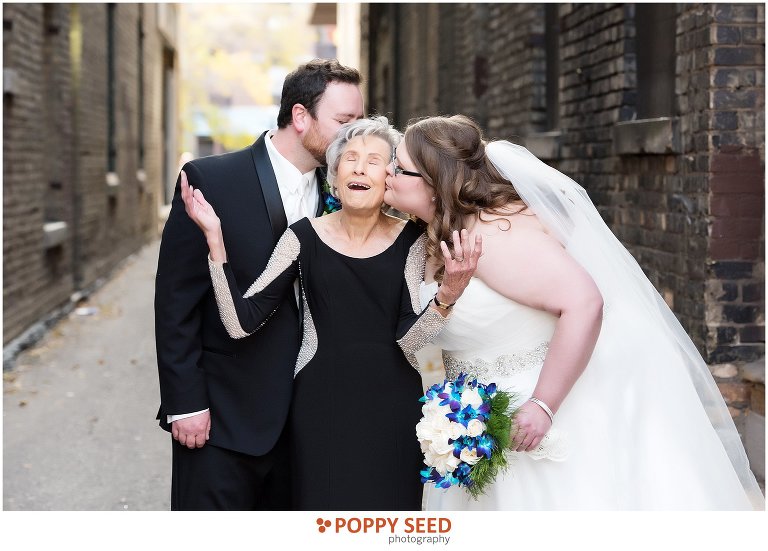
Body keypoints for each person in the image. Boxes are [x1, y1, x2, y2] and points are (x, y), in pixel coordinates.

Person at [383, 114, 765, 510]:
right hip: (473, 422)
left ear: (435, 183)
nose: (388, 171)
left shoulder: (490, 238)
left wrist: (543, 405)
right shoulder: (431, 240)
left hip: (536, 418)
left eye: (399, 166)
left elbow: (585, 302)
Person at [180, 116, 481, 510]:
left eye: (374, 161)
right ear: (335, 176)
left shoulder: (413, 240)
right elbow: (240, 322)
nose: (359, 168)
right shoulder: (301, 236)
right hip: (318, 407)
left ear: (389, 178)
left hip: (393, 409)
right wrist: (215, 242)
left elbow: (409, 339)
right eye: (350, 158)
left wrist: (447, 296)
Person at [154, 59, 364, 510]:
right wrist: (185, 402)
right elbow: (176, 302)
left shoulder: (345, 193)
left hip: (308, 424)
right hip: (222, 417)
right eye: (345, 122)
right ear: (300, 116)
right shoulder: (211, 180)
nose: (355, 137)